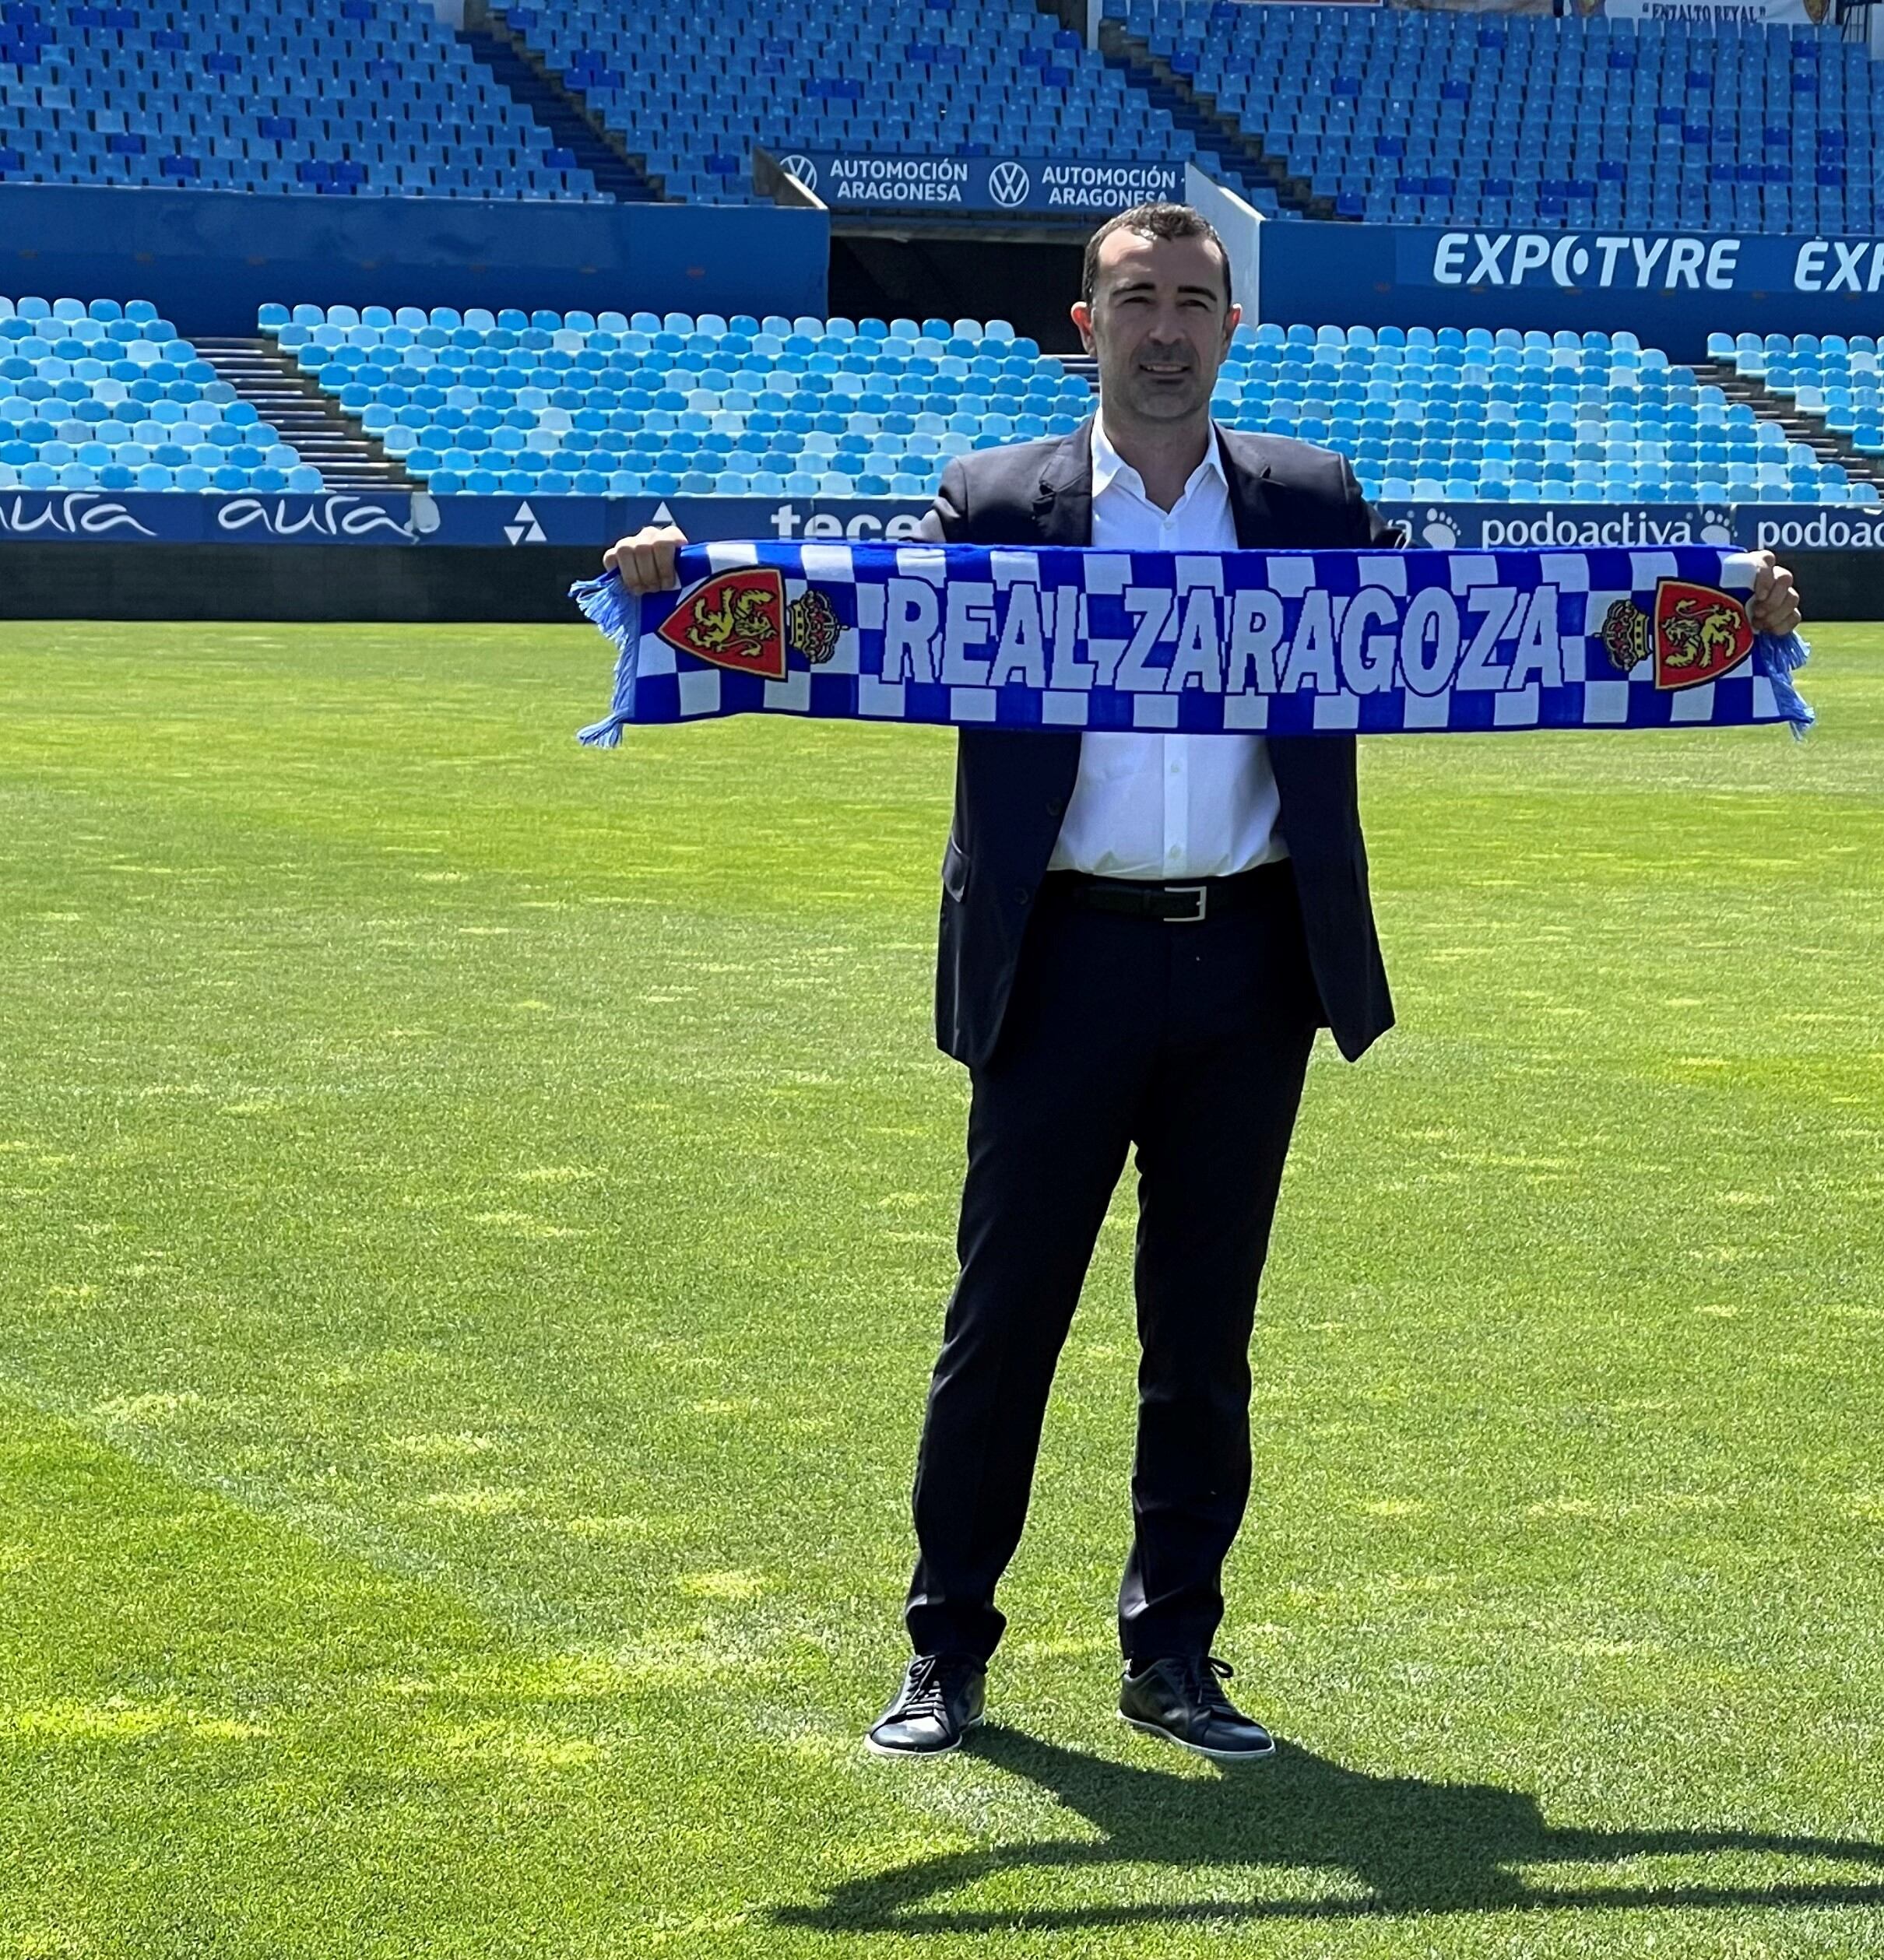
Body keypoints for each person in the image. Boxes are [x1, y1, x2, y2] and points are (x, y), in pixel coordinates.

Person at [602, 202, 1805, 1765]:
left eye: (1191, 300)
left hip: (1247, 961)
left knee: (1202, 1329)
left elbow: (1492, 627)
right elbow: (846, 615)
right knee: (1002, 1319)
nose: (1163, 327)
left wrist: (1723, 613)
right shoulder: (992, 502)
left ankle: (1173, 1651)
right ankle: (942, 1648)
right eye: (1133, 298)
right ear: (1081, 323)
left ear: (1229, 327)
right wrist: (673, 581)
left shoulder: (1307, 499)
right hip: (1059, 957)